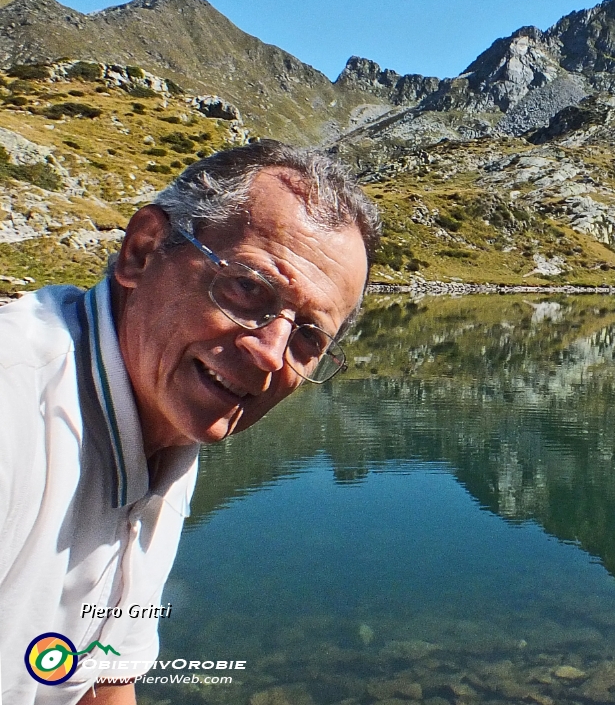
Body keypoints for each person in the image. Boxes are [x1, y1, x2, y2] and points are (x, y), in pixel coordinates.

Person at [0, 141, 380, 705]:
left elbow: (102, 678)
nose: (271, 355)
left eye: (309, 338)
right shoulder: (15, 406)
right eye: (249, 288)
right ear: (144, 250)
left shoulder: (170, 426)